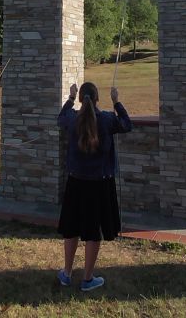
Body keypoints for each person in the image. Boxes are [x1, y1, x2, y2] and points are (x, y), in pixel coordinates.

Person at [57, 81, 132, 292]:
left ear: (81, 98)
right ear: (97, 98)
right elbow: (127, 124)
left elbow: (60, 118)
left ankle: (67, 273)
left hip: (76, 182)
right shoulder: (107, 120)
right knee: (92, 231)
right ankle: (87, 279)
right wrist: (117, 102)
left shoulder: (72, 119)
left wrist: (70, 99)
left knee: (71, 228)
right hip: (99, 184)